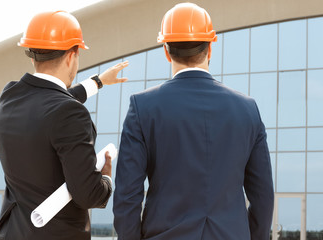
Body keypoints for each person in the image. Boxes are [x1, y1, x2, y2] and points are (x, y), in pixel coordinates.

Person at [113, 3, 274, 240]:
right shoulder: (247, 109)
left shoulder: (142, 107)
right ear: (210, 49)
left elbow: (127, 196)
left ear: (166, 51)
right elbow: (263, 196)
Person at [0, 10, 128, 240]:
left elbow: (49, 103)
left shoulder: (9, 96)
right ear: (72, 55)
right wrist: (106, 178)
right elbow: (88, 195)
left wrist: (98, 82)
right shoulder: (69, 113)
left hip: (12, 232)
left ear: (32, 55)